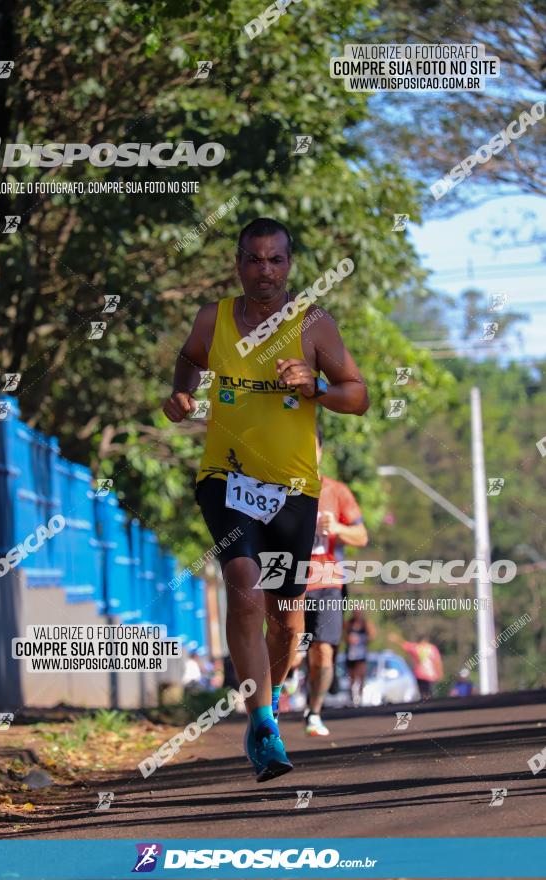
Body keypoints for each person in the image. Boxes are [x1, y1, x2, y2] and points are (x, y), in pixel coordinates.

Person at [163, 217, 369, 782]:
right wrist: (181, 392)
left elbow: (359, 395)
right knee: (245, 593)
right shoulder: (215, 318)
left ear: (289, 264)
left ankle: (271, 695)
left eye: (275, 260)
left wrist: (317, 387)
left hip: (293, 490)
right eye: (254, 260)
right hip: (226, 480)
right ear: (238, 264)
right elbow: (188, 359)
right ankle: (261, 726)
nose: (265, 271)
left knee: (285, 620)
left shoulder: (315, 324)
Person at [303, 428, 368, 735]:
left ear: (320, 450)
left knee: (322, 650)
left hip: (327, 580)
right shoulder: (275, 490)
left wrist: (338, 528)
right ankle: (270, 709)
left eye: (310, 444)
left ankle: (314, 712)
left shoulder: (337, 492)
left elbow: (362, 535)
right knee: (286, 650)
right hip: (286, 578)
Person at [389, 633, 444, 700]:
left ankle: (424, 705)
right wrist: (440, 673)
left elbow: (405, 645)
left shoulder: (416, 648)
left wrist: (396, 639)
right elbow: (437, 662)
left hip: (419, 675)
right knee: (430, 693)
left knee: (423, 693)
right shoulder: (432, 649)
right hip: (430, 676)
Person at [344, 610, 375, 708]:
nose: (357, 614)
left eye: (358, 612)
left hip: (361, 655)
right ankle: (352, 697)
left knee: (361, 676)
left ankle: (360, 697)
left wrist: (362, 639)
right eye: (355, 612)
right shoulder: (348, 623)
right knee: (351, 676)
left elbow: (372, 635)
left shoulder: (365, 623)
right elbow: (342, 635)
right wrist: (348, 639)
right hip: (351, 655)